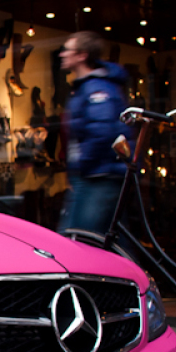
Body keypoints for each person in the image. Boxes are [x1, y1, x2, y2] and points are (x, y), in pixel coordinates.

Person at [58, 31, 131, 234]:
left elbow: (102, 132)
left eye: (67, 50)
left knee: (77, 241)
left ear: (82, 55)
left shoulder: (97, 89)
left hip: (97, 177)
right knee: (105, 240)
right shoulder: (89, 87)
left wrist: (81, 166)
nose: (62, 54)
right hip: (95, 176)